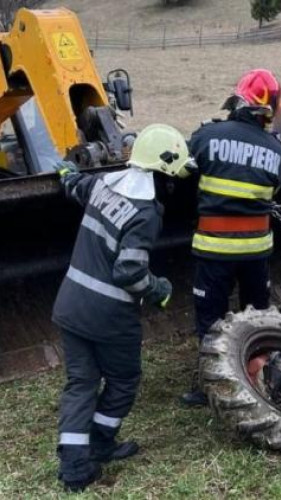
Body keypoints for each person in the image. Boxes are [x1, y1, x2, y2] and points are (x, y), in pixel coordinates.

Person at [52, 124, 193, 492]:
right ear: (163, 173)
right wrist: (159, 289)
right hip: (109, 317)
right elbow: (129, 271)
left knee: (81, 383)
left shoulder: (104, 185)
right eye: (173, 177)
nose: (174, 185)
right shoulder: (145, 213)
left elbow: (76, 186)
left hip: (70, 306)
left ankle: (74, 467)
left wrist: (67, 172)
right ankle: (100, 443)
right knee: (123, 379)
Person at [181, 69, 281, 406]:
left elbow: (184, 175)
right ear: (269, 111)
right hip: (257, 252)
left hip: (214, 250)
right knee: (256, 316)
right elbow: (274, 191)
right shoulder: (276, 150)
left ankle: (211, 387)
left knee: (211, 321)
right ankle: (258, 377)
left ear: (237, 99)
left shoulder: (206, 136)